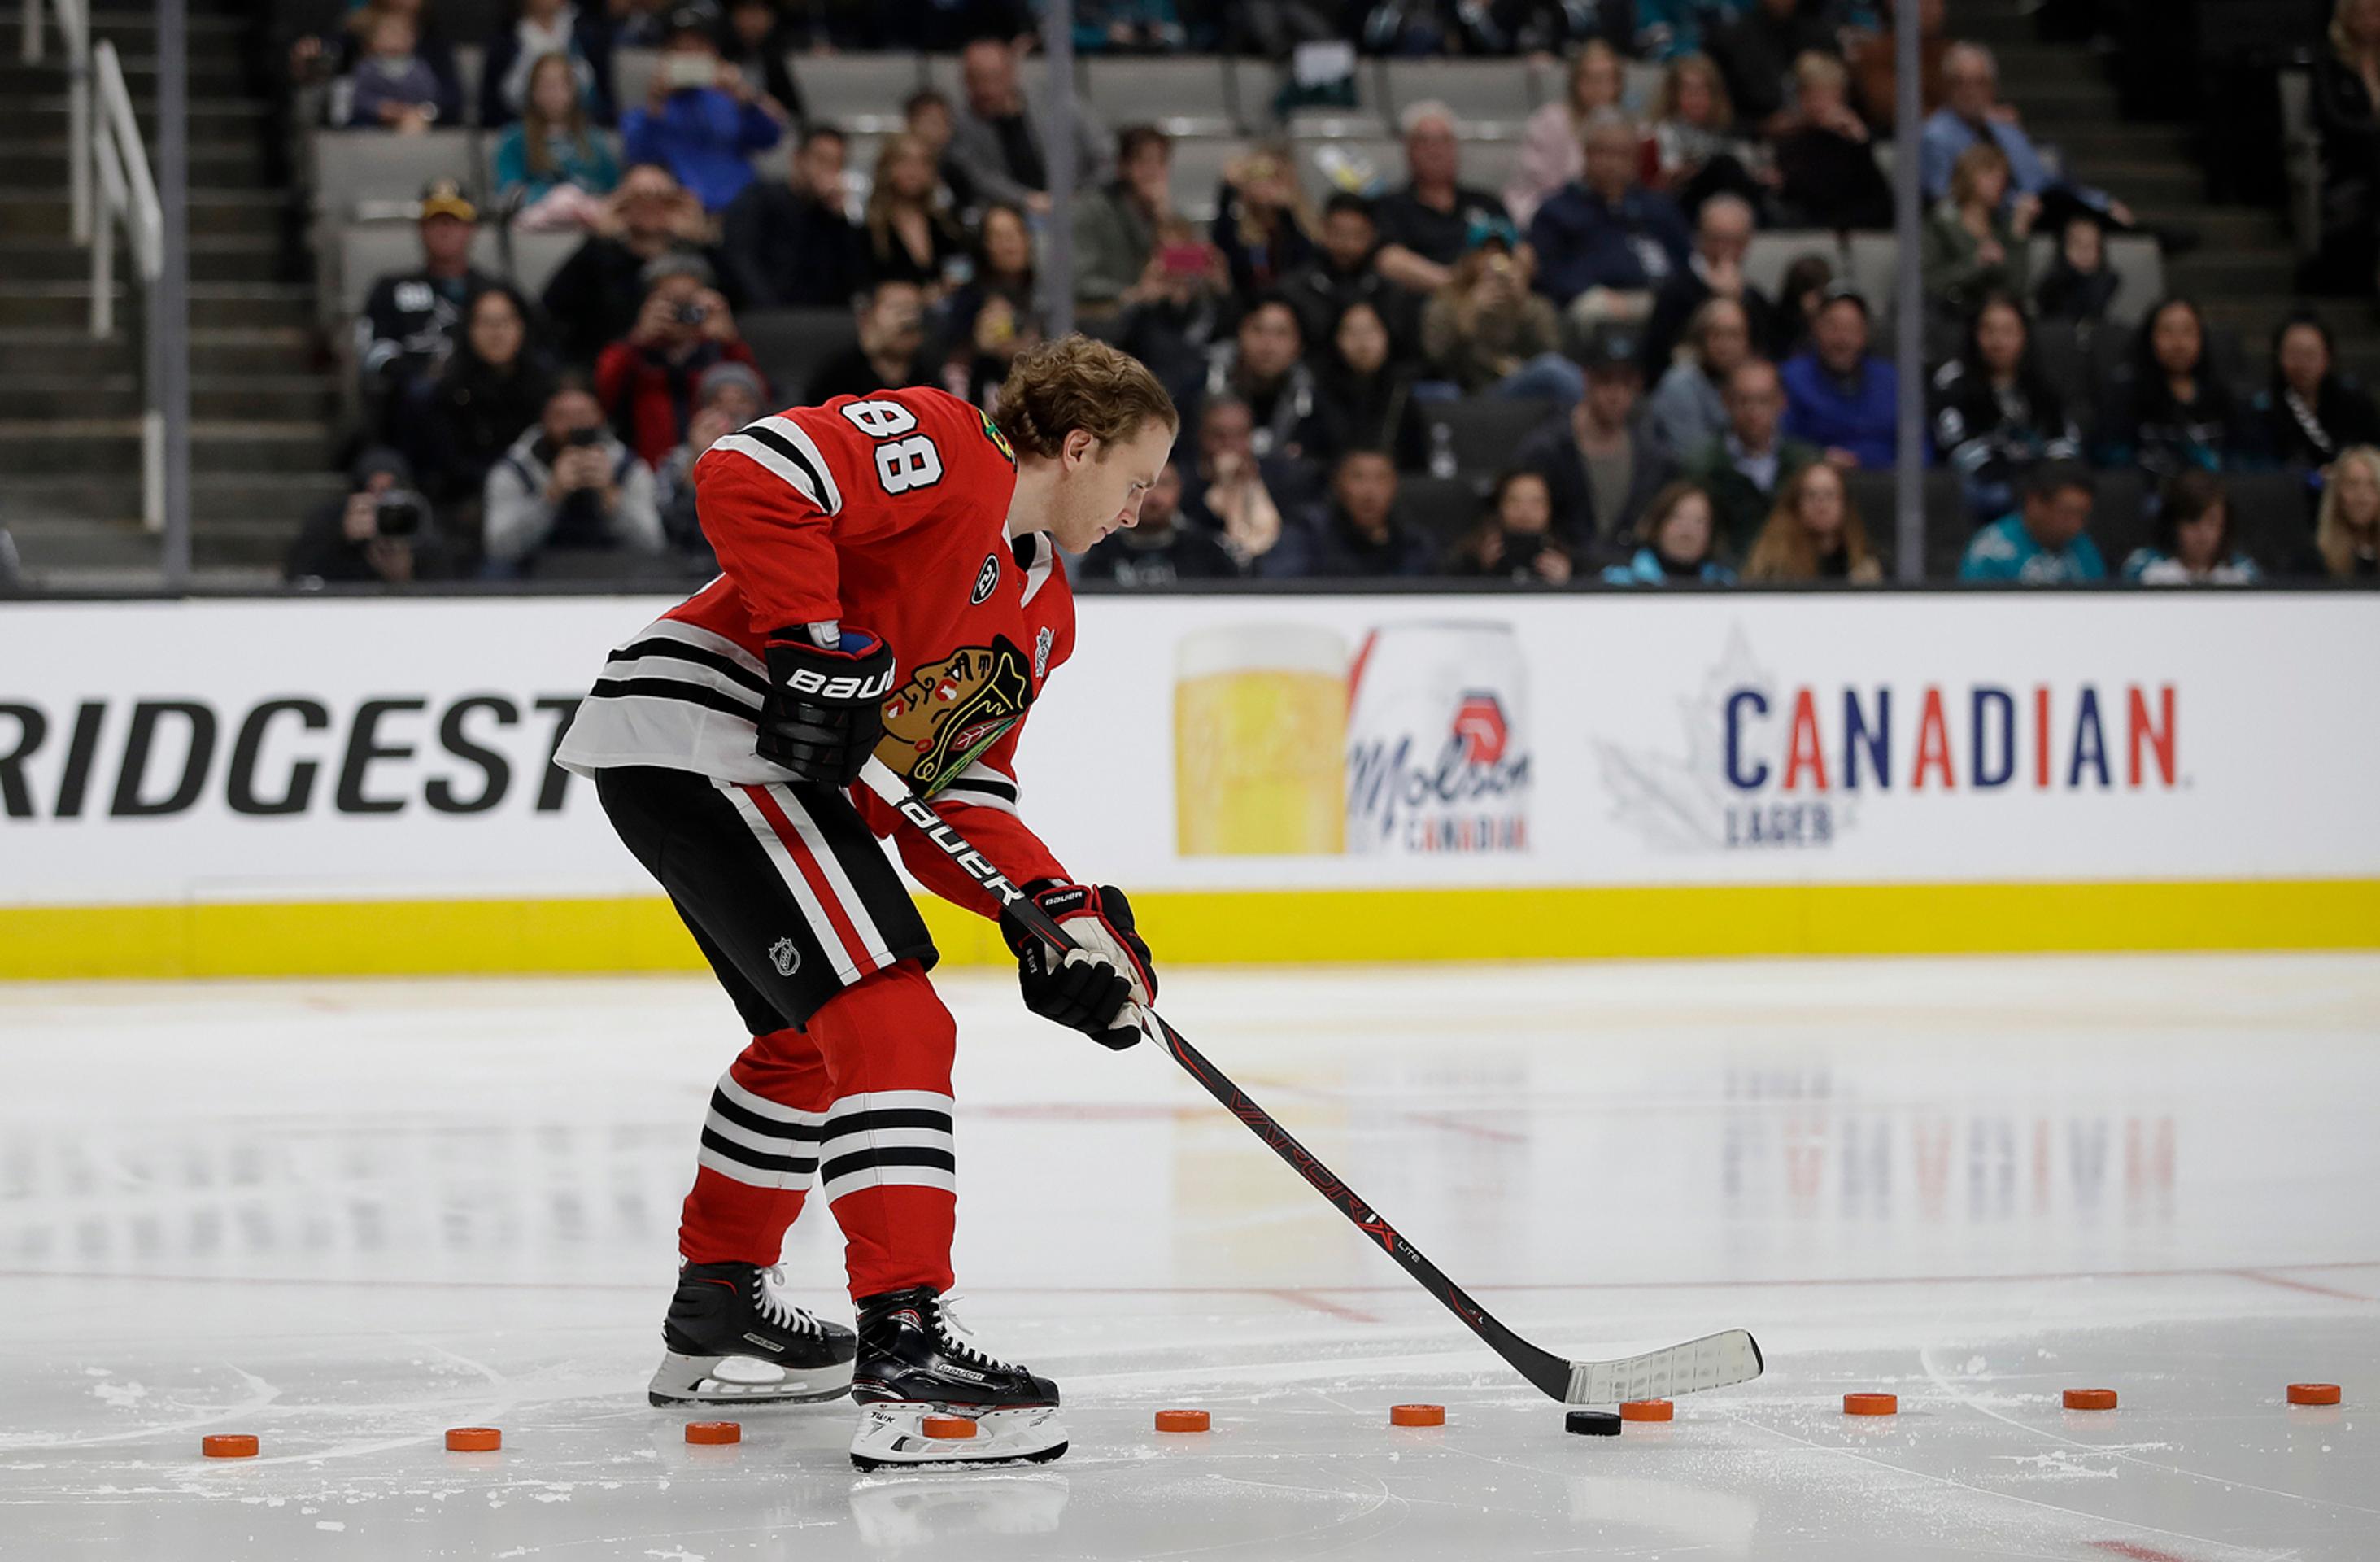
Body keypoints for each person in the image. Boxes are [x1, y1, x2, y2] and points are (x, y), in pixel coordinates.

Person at [547, 336, 1177, 1472]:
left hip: (727, 760)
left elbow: (951, 790)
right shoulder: (947, 446)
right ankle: (905, 1341)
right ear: (1076, 448)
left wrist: (1053, 913)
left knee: (811, 1041)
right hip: (712, 732)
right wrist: (813, 640)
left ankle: (722, 1311)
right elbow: (748, 471)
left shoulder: (1045, 619)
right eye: (1133, 479)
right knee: (896, 1019)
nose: (1138, 508)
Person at [1920, 42, 2134, 233]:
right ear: (1946, 87)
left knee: (2094, 215)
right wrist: (2014, 206)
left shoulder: (2005, 129)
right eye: (1960, 82)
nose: (1970, 91)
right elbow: (1945, 201)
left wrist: (2101, 201)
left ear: (1993, 87)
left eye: (1979, 82)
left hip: (2042, 211)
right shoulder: (1935, 136)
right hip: (1994, 223)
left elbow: (2045, 183)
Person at [542, 162, 724, 364]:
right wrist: (599, 239)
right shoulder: (598, 258)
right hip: (610, 369)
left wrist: (702, 239)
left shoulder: (696, 256)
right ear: (621, 204)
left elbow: (743, 301)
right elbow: (551, 307)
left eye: (662, 198)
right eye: (637, 198)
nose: (650, 206)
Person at [1528, 111, 1693, 329]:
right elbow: (1546, 274)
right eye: (1603, 152)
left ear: (1636, 159)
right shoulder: (1557, 210)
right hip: (1594, 300)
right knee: (1594, 311)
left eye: (1622, 154)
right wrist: (1593, 293)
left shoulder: (1659, 208)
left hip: (1659, 297)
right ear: (1586, 153)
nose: (1612, 163)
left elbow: (1686, 262)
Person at [1930, 292, 2082, 526]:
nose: (1997, 341)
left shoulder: (2041, 383)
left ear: (2023, 336)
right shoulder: (1953, 381)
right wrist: (2015, 481)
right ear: (1975, 335)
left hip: (2039, 484)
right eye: (1989, 331)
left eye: (2008, 331)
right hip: (1985, 483)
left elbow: (2063, 440)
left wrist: (2048, 478)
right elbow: (1957, 445)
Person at [1511, 333, 1673, 552]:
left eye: (1626, 383)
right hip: (1561, 578)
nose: (1617, 394)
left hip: (1631, 578)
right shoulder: (1545, 451)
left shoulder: (1653, 457)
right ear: (1587, 379)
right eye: (1606, 381)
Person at [483, 378, 666, 571]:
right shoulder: (514, 472)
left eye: (582, 415)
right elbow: (498, 548)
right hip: (533, 577)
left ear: (600, 417)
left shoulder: (629, 469)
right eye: (562, 416)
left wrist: (610, 496)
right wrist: (551, 496)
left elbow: (652, 544)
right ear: (545, 419)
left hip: (615, 574)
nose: (574, 426)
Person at [595, 255, 764, 465]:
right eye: (672, 302)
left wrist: (730, 343)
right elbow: (603, 396)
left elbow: (758, 401)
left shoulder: (721, 351)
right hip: (648, 473)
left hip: (716, 464)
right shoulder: (633, 354)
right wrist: (637, 340)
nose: (682, 312)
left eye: (688, 301)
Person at [357, 180, 501, 424]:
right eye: (436, 221)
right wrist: (414, 375)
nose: (445, 230)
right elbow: (374, 351)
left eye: (454, 221)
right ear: (421, 229)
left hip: (484, 408)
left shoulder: (495, 292)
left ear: (471, 229)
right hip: (409, 411)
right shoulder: (390, 289)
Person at [621, 3, 786, 213]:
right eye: (679, 49)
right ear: (665, 56)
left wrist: (745, 97)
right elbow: (639, 157)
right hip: (683, 211)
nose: (688, 56)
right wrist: (655, 104)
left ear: (714, 53)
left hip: (741, 208)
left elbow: (770, 138)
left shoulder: (730, 102)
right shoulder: (649, 111)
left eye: (697, 48)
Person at [420, 284, 556, 527]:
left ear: (523, 326)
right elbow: (448, 466)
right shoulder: (448, 390)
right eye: (486, 322)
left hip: (540, 495)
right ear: (468, 329)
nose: (496, 332)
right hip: (468, 500)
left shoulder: (546, 387)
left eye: (505, 321)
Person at [2097, 296, 2249, 484]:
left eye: (2188, 331)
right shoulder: (2126, 392)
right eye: (2167, 332)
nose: (2179, 343)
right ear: (2150, 338)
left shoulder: (2221, 392)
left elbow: (2244, 454)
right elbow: (2114, 458)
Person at [1372, 103, 1519, 295]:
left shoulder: (1486, 201)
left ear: (1455, 148)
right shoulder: (1390, 205)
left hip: (1492, 293)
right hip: (1428, 298)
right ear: (1408, 150)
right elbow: (1389, 260)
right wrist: (1455, 285)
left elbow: (1518, 250)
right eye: (1424, 141)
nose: (1434, 150)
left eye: (1443, 140)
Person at [948, 37, 1106, 215]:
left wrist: (1082, 197)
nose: (985, 89)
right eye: (975, 79)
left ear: (1011, 73)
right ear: (964, 81)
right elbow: (979, 177)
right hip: (1010, 217)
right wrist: (1029, 201)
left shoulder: (1057, 103)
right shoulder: (961, 124)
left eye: (993, 77)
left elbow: (1103, 154)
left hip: (1080, 205)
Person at [721, 124, 869, 310]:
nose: (829, 170)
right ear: (798, 159)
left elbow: (855, 279)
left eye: (838, 163)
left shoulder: (832, 216)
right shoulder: (760, 199)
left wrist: (839, 218)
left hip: (823, 320)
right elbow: (740, 261)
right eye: (821, 160)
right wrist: (770, 311)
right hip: (768, 316)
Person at [1419, 228, 1577, 402]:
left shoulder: (1530, 303)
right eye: (1484, 252)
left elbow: (1552, 352)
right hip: (1468, 392)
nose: (1492, 261)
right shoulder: (1446, 302)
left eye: (1502, 252)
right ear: (1469, 258)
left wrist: (1522, 307)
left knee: (1552, 369)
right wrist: (1468, 317)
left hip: (1517, 388)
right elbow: (1437, 362)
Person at [1681, 357, 1821, 553]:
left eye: (1764, 400)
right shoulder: (1700, 465)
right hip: (1721, 576)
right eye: (1743, 401)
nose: (1753, 411)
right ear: (1726, 401)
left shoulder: (1806, 465)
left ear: (1781, 402)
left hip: (1795, 573)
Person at [1640, 194, 1776, 380]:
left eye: (1735, 241)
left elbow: (1767, 351)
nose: (1724, 249)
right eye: (1716, 239)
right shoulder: (1676, 291)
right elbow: (1656, 359)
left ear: (1747, 244)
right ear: (1700, 238)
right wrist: (1715, 297)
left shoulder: (1754, 297)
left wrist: (1740, 299)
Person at [1178, 396, 1313, 574]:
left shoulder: (1280, 477)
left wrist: (1251, 487)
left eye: (1239, 435)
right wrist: (1218, 489)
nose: (1230, 445)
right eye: (1219, 436)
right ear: (1201, 436)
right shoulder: (1184, 482)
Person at [285, 447, 453, 584]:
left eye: (389, 492)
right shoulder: (328, 525)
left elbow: (447, 595)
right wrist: (342, 539)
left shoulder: (421, 531)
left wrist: (405, 577)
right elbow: (297, 579)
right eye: (372, 492)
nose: (380, 501)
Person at [493, 51, 623, 226]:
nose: (554, 93)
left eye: (561, 85)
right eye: (546, 86)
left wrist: (582, 203)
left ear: (573, 91)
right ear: (533, 92)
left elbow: (614, 191)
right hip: (536, 227)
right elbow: (509, 191)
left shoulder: (595, 140)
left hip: (589, 225)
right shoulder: (514, 139)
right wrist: (550, 199)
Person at [938, 203, 1047, 409]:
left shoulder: (1048, 290)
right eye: (998, 237)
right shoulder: (969, 298)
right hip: (985, 392)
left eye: (1016, 234)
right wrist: (978, 346)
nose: (1009, 245)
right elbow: (951, 356)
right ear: (985, 245)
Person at [655, 358, 765, 562]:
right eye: (719, 402)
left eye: (741, 401)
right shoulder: (676, 461)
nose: (731, 410)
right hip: (689, 563)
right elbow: (671, 529)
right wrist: (698, 457)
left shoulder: (774, 458)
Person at [1283, 194, 1417, 360]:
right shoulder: (1295, 288)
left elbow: (1405, 353)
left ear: (1372, 236)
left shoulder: (1389, 291)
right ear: (1322, 230)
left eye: (1356, 235)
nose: (1346, 244)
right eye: (1338, 233)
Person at [1772, 50, 1894, 232]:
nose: (1818, 103)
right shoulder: (1790, 143)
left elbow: (1882, 206)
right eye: (1812, 94)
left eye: (1827, 94)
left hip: (1858, 229)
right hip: (1812, 229)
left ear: (1842, 97)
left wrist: (1860, 143)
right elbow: (1808, 198)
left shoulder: (1856, 142)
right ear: (1800, 97)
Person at [1508, 40, 1625, 229]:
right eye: (1591, 79)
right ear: (1576, 81)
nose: (1599, 88)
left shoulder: (1627, 129)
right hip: (1553, 219)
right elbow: (1535, 191)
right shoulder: (1549, 122)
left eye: (1606, 79)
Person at [1780, 286, 1898, 470]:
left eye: (1851, 328)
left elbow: (1920, 445)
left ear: (1865, 333)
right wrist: (1815, 457)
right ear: (1816, 328)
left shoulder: (1892, 381)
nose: (1841, 339)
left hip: (1890, 485)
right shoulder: (1792, 379)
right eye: (1832, 327)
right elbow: (1779, 442)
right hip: (1818, 484)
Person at [1922, 143, 2038, 330]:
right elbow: (1929, 282)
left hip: (1994, 322)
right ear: (1969, 175)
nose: (2000, 182)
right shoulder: (1940, 224)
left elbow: (2016, 288)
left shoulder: (2001, 228)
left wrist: (2019, 233)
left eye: (2002, 176)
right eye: (1990, 173)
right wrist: (1976, 263)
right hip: (1951, 319)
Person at [1271, 447, 1436, 577]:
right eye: (1358, 477)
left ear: (1395, 485)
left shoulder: (1414, 544)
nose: (1369, 493)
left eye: (1381, 478)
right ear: (1337, 484)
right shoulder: (1308, 533)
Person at [2310, 0, 2380, 296]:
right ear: (2347, 16)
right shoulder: (2331, 63)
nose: (2374, 18)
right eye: (2367, 10)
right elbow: (2333, 119)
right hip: (2349, 165)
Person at [1202, 297, 1327, 462]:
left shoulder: (1314, 402)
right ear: (1239, 333)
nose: (1268, 345)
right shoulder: (1200, 384)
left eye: (1281, 333)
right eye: (1258, 330)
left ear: (1299, 345)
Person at [1641, 51, 1763, 219]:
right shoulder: (1657, 136)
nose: (1696, 98)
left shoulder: (1729, 133)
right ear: (1673, 95)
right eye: (1689, 90)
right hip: (1681, 206)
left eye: (1703, 90)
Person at [2255, 311, 2380, 472]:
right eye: (2294, 354)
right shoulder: (2263, 407)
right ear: (2279, 356)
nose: (2302, 363)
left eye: (2310, 354)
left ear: (2327, 357)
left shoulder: (2355, 403)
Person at [1076, 460, 1238, 584]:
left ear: (1179, 489)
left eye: (1164, 484)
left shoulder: (1207, 552)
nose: (1154, 496)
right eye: (1143, 486)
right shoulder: (1100, 553)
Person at [1313, 301, 1429, 469]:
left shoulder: (1401, 394)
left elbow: (1418, 464)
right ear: (1336, 338)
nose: (1362, 343)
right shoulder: (1317, 393)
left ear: (1387, 335)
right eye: (1351, 331)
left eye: (1371, 330)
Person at [1073, 124, 1172, 318]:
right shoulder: (1093, 209)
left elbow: (1170, 268)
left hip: (1152, 314)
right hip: (1105, 317)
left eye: (1161, 162)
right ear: (1122, 166)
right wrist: (1130, 293)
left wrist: (1164, 220)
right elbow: (1079, 281)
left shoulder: (1164, 213)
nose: (1153, 172)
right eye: (1143, 162)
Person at [1959, 456, 2107, 583]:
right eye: (2066, 513)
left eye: (2083, 515)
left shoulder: (2083, 547)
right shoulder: (1992, 553)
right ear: (2034, 504)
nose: (2076, 524)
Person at [480, 0, 617, 129]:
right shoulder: (504, 41)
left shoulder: (588, 35)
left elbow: (604, 96)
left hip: (581, 129)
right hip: (519, 129)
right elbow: (490, 105)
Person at [861, 134, 971, 295]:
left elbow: (963, 277)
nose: (914, 170)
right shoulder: (870, 231)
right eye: (905, 161)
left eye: (923, 163)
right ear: (887, 167)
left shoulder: (947, 227)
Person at [1740, 460, 1883, 582]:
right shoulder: (1774, 564)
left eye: (1829, 495)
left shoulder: (1865, 566)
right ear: (1796, 504)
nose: (1820, 504)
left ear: (1844, 503)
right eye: (1811, 495)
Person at [1645, 295, 1753, 458]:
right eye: (1716, 335)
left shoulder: (1753, 382)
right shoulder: (1679, 385)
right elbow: (1695, 460)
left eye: (1734, 335)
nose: (1726, 345)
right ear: (1701, 340)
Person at [1707, 0, 1837, 135]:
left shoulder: (1822, 37)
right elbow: (1718, 113)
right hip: (1751, 143)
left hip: (1822, 136)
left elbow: (1838, 95)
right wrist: (1761, 127)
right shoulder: (1729, 40)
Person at [1211, 143, 1316, 299]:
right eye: (1258, 180)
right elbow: (1221, 242)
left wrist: (1289, 211)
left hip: (1294, 305)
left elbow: (1305, 260)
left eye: (1273, 180)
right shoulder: (1236, 226)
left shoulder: (1296, 224)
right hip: (1247, 304)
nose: (1265, 187)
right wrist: (1228, 190)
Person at [2121, 470, 2261, 585]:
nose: (2203, 533)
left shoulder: (2243, 573)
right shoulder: (2143, 569)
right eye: (2193, 521)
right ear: (2174, 523)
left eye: (2213, 522)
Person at [806, 280, 936, 404]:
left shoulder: (931, 374)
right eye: (897, 309)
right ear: (866, 317)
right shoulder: (837, 376)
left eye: (915, 309)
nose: (909, 319)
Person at [342, 6, 460, 132]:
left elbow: (430, 95)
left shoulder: (419, 68)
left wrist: (413, 110)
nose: (395, 39)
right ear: (373, 39)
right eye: (389, 33)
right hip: (370, 122)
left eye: (401, 34)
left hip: (409, 118)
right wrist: (380, 108)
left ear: (413, 39)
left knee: (415, 125)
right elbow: (358, 98)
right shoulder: (366, 68)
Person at [1449, 469, 1575, 582]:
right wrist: (1482, 570)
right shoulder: (1469, 557)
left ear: (1550, 508)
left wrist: (1568, 582)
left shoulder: (1571, 557)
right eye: (1515, 502)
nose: (1525, 512)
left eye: (1536, 502)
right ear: (1499, 507)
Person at [1600, 479, 1735, 583]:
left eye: (1699, 521)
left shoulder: (1726, 584)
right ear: (1658, 525)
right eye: (1678, 518)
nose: (1687, 531)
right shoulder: (1620, 581)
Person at [1845, 0, 1946, 134]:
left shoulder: (1951, 54)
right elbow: (1900, 111)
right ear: (1894, 4)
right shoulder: (1874, 54)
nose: (1930, 7)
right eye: (1921, 2)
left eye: (1936, 2)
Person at [717, 0, 804, 123]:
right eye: (746, 11)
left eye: (759, 11)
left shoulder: (781, 55)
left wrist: (756, 99)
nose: (752, 20)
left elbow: (792, 110)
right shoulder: (717, 51)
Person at [2033, 213, 2119, 325]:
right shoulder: (2050, 284)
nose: (2084, 251)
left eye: (2091, 245)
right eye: (2077, 244)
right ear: (2064, 247)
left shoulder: (2110, 281)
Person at [2312, 443, 2380, 580]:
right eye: (2352, 484)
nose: (2362, 498)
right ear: (2337, 494)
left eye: (2372, 485)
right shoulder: (2314, 561)